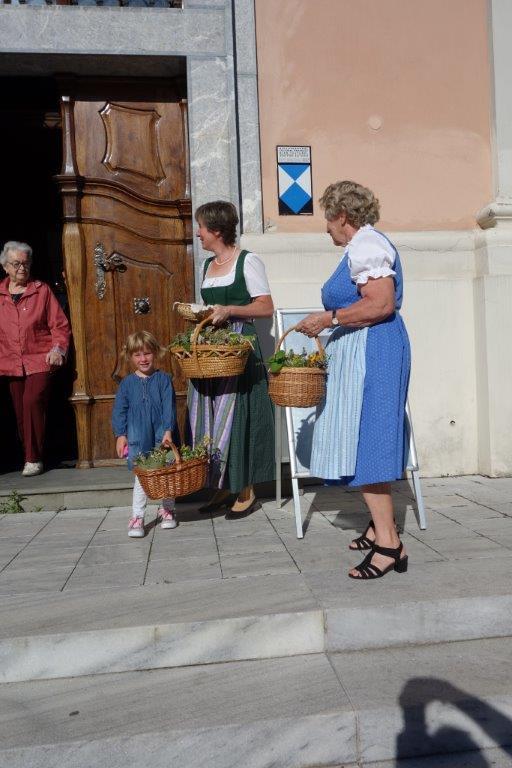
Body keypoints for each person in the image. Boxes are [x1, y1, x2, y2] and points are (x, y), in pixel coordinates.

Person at [296, 181, 411, 580]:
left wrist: (328, 318)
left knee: (369, 440)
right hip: (367, 349)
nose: (326, 227)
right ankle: (380, 527)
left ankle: (390, 545)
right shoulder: (360, 246)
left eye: (328, 218)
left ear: (342, 215)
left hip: (374, 351)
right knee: (364, 436)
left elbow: (380, 303)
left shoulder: (366, 246)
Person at [189, 200, 275, 515]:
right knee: (212, 415)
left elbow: (266, 307)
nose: (197, 233)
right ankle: (222, 486)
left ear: (216, 230)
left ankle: (246, 488)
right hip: (213, 349)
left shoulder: (247, 261)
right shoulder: (207, 266)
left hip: (239, 346)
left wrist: (231, 310)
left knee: (239, 417)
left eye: (201, 227)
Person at [0, 241, 70, 476]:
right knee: (21, 411)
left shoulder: (42, 290)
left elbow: (59, 325)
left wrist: (58, 350)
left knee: (31, 401)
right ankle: (30, 452)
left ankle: (33, 459)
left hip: (40, 358)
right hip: (10, 362)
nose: (22, 268)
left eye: (26, 263)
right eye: (16, 264)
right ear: (5, 267)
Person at [112, 331, 178, 538]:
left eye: (147, 353)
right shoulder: (126, 383)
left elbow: (169, 407)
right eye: (137, 355)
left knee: (166, 472)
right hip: (137, 436)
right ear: (130, 357)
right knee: (141, 476)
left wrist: (168, 430)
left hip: (161, 434)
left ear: (156, 353)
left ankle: (167, 509)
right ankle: (137, 517)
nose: (143, 359)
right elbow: (120, 410)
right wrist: (120, 434)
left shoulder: (164, 379)